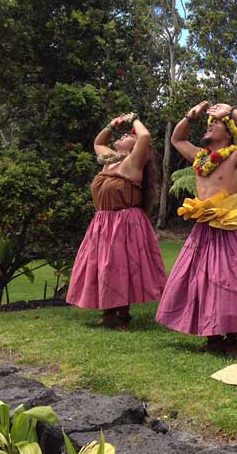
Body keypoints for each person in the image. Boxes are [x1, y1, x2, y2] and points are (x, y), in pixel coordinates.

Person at [155, 101, 237, 355]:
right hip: (205, 227)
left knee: (231, 279)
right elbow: (177, 139)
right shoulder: (200, 157)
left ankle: (230, 338)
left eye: (216, 123)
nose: (211, 125)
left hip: (231, 226)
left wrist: (230, 112)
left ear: (229, 133)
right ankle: (211, 335)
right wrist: (190, 115)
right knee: (204, 280)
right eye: (210, 123)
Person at [67, 112, 167, 329]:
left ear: (134, 148)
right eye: (121, 135)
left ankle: (123, 314)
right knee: (102, 265)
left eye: (128, 135)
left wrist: (134, 120)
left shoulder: (133, 162)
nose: (122, 136)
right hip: (103, 221)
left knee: (121, 266)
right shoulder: (109, 159)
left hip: (124, 222)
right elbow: (98, 142)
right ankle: (108, 311)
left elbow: (145, 137)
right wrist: (112, 124)